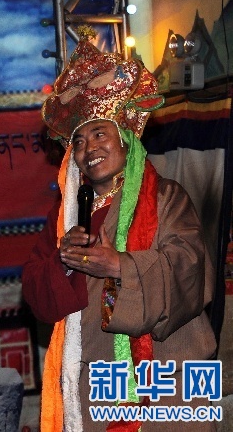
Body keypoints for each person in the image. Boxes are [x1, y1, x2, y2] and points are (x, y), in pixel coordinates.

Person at [22, 36, 217, 431]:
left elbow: (190, 268)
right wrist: (63, 263)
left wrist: (120, 266)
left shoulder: (165, 198)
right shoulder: (64, 218)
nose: (88, 148)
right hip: (96, 382)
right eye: (78, 141)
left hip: (167, 373)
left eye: (99, 134)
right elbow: (36, 293)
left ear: (125, 141)